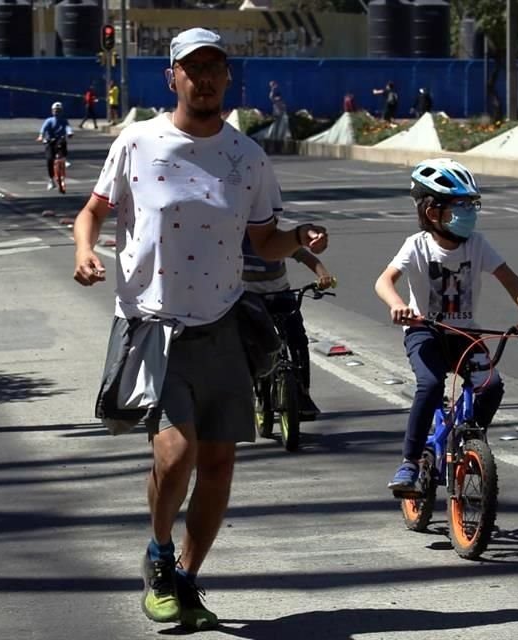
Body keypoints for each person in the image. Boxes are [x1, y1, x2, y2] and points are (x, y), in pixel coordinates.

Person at [72, 27, 328, 631]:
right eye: (193, 68)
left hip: (222, 323)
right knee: (177, 451)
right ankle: (159, 556)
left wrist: (300, 239)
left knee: (218, 464)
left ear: (226, 77)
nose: (205, 78)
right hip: (152, 325)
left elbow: (263, 240)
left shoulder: (247, 157)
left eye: (215, 67)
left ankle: (186, 576)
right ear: (173, 77)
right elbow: (92, 211)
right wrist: (85, 250)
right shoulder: (137, 143)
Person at [374, 158, 518, 496]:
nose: (468, 212)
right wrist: (398, 305)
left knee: (491, 385)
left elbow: (513, 281)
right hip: (424, 332)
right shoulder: (417, 246)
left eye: (471, 205)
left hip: (467, 334)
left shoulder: (477, 245)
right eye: (458, 206)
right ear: (431, 211)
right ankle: (409, 462)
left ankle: (471, 437)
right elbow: (384, 281)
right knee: (431, 383)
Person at [242, 236, 333, 420]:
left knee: (298, 338)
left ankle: (304, 394)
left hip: (281, 294)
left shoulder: (278, 240)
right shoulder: (235, 240)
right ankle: (249, 391)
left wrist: (323, 275)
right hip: (250, 298)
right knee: (247, 342)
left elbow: (307, 257)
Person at [37, 102, 72, 191]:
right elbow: (43, 129)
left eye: (59, 111)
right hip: (50, 142)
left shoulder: (64, 121)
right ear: (52, 111)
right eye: (55, 110)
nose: (57, 112)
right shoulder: (49, 120)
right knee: (49, 160)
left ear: (61, 111)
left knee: (62, 143)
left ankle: (64, 158)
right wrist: (41, 136)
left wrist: (70, 133)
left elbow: (68, 128)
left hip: (59, 140)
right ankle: (51, 180)